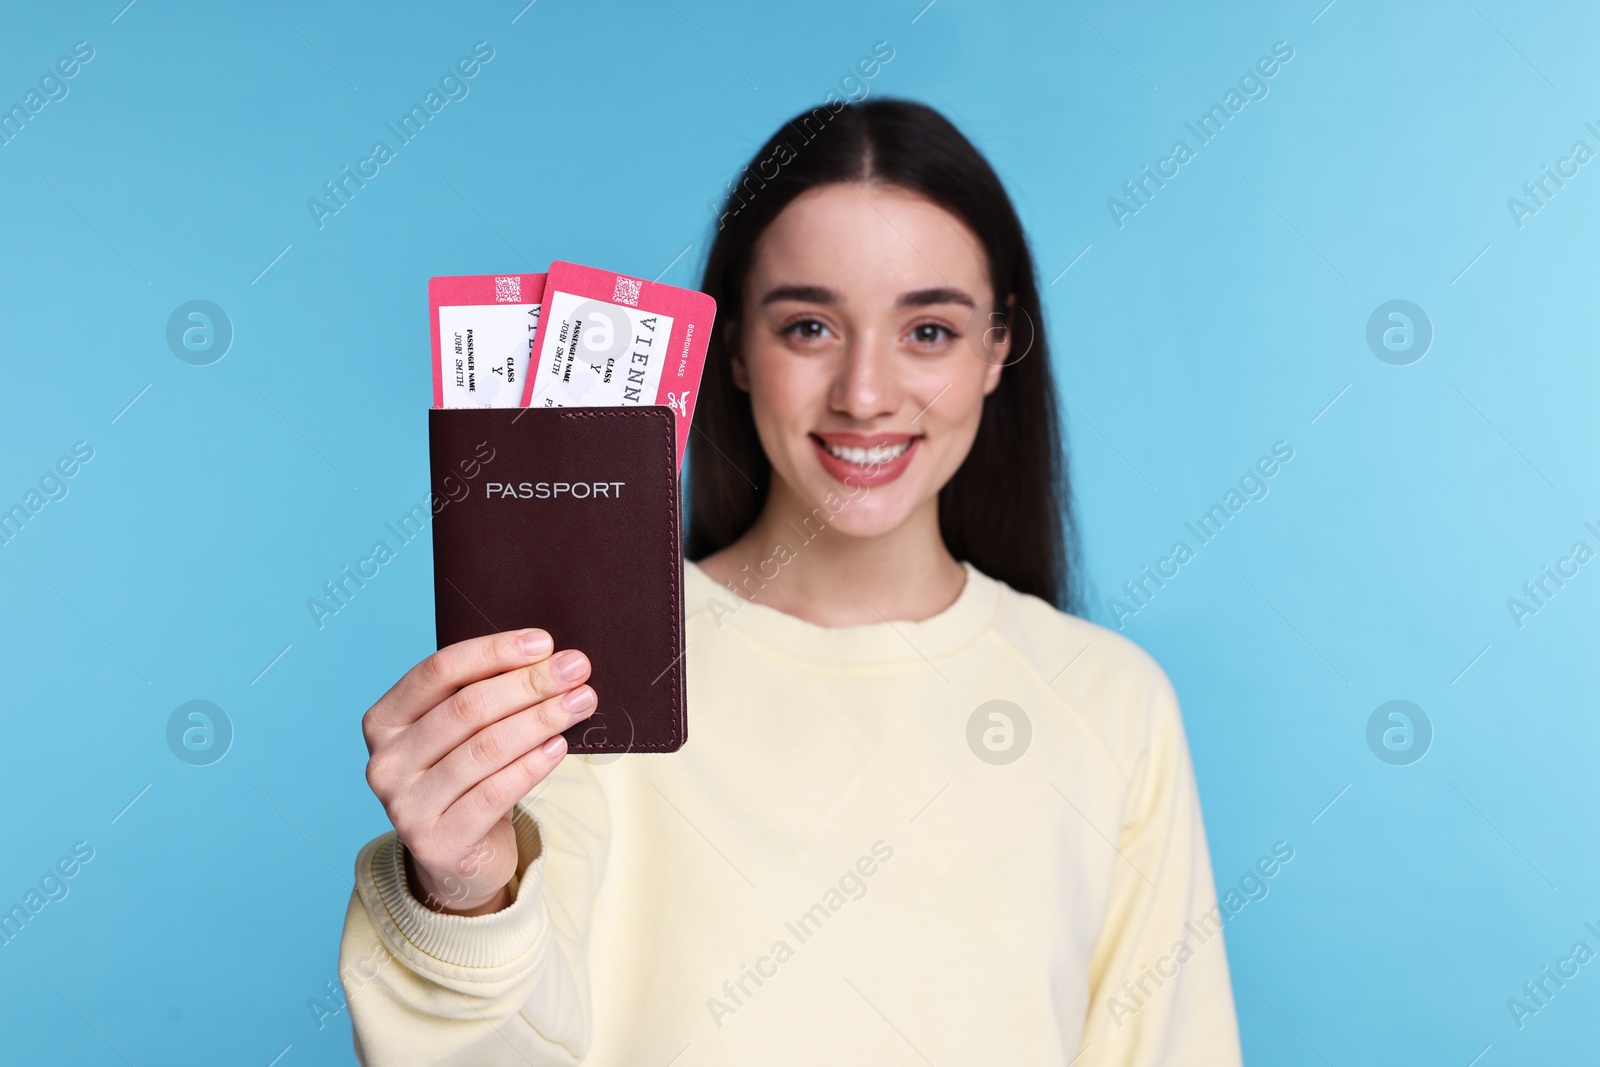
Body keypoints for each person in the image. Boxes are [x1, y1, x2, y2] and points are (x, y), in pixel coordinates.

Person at [340, 98, 1242, 1065]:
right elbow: (496, 1045)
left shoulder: (1110, 700)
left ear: (997, 349)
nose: (864, 393)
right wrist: (462, 893)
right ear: (733, 348)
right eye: (809, 325)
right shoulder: (594, 666)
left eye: (928, 331)